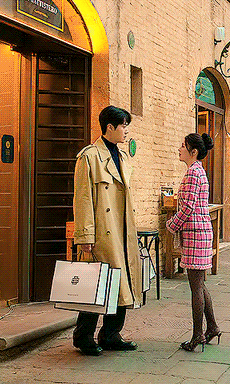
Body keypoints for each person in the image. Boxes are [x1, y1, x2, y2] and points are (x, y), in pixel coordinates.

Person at [72, 106, 142, 356]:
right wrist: (85, 236)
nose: (126, 131)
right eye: (123, 125)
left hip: (122, 230)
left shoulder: (122, 156)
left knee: (120, 282)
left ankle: (111, 334)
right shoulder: (89, 156)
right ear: (109, 127)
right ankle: (83, 336)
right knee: (96, 282)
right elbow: (82, 198)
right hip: (103, 230)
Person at [166, 133, 222, 352]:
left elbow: (187, 207)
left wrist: (171, 225)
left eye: (183, 146)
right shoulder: (199, 171)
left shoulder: (192, 172)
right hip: (199, 232)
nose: (179, 149)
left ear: (193, 152)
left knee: (195, 286)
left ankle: (198, 335)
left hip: (195, 234)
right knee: (199, 283)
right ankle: (212, 327)